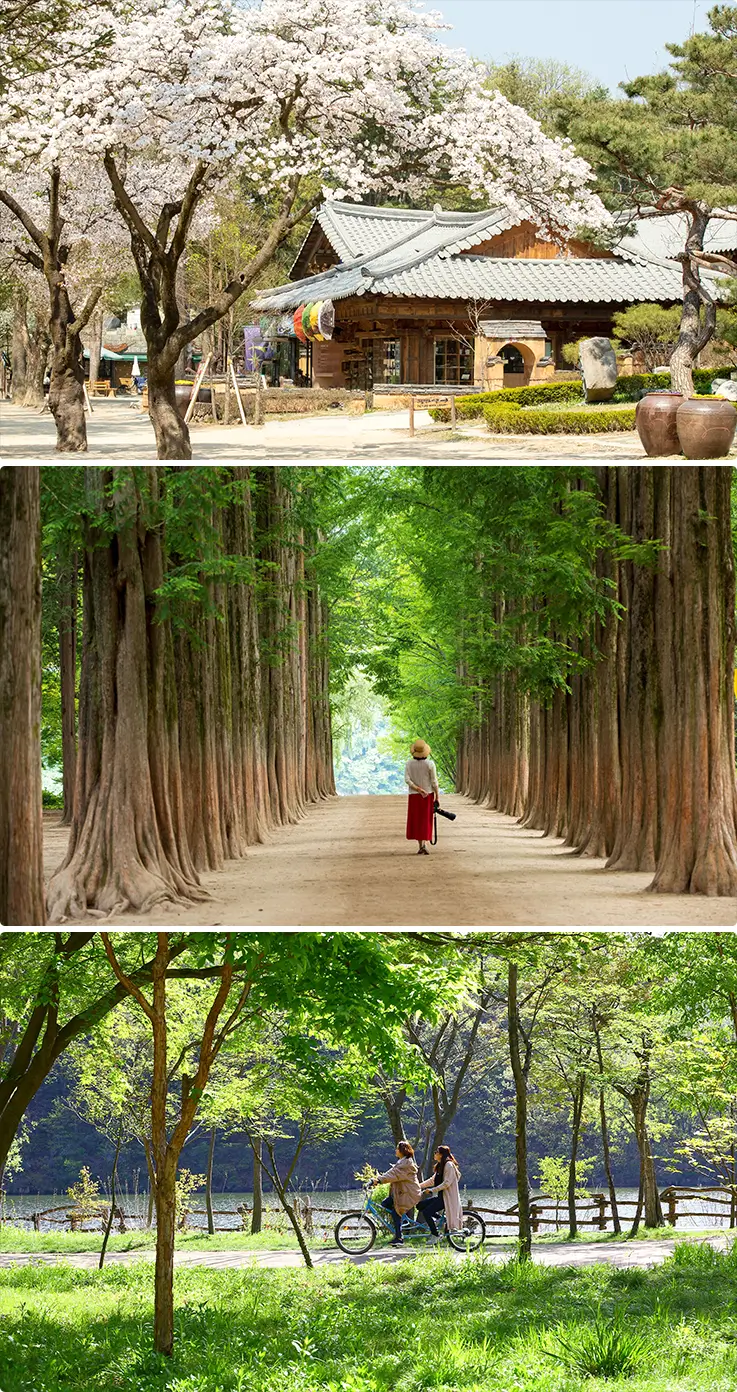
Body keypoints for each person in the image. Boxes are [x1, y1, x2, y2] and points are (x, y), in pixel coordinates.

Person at [371, 1140, 422, 1246]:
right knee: (385, 1204)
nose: (396, 1150)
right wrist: (378, 1179)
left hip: (409, 1193)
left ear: (402, 1151)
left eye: (397, 1149)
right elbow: (391, 1172)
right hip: (402, 1193)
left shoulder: (406, 1165)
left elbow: (394, 1175)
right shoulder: (402, 1162)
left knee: (396, 1212)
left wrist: (379, 1180)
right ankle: (402, 1221)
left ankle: (399, 1238)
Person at [417, 1145, 464, 1238]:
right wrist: (418, 1186)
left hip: (447, 1198)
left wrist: (432, 1190)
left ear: (441, 1155)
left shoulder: (449, 1165)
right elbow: (432, 1181)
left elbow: (446, 1183)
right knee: (420, 1206)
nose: (434, 1154)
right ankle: (442, 1219)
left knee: (427, 1212)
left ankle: (435, 1235)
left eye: (436, 1152)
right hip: (441, 1197)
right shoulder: (440, 1166)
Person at [405, 738, 440, 855]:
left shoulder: (409, 764)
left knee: (417, 820)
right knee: (425, 820)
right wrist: (437, 796)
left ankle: (421, 845)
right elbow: (434, 782)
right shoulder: (430, 764)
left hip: (414, 796)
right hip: (428, 795)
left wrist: (417, 789)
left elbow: (407, 780)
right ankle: (423, 845)